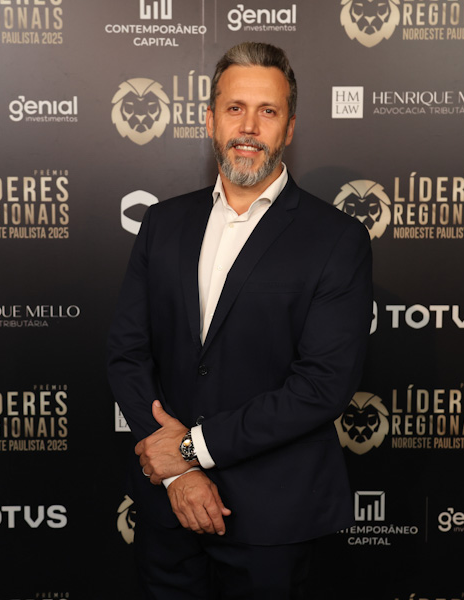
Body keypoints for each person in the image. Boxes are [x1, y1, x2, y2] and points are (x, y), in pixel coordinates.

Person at [107, 42, 373, 599]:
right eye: (235, 108)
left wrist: (189, 450)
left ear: (289, 128)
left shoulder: (336, 239)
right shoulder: (162, 224)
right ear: (210, 119)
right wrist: (179, 472)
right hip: (167, 511)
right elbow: (128, 354)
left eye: (267, 111)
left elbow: (321, 387)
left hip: (273, 520)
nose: (249, 127)